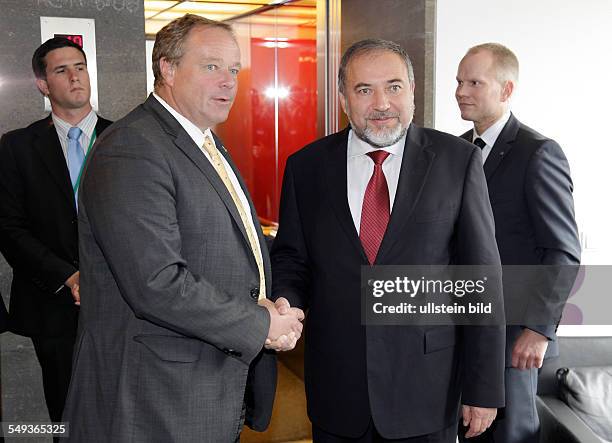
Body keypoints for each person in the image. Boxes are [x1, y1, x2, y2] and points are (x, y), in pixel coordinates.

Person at [61, 14, 303, 442]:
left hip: (199, 388)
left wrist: (275, 301)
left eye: (234, 69)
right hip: (154, 398)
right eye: (211, 66)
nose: (228, 81)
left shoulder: (202, 140)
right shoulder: (133, 148)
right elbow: (156, 281)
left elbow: (232, 239)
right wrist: (260, 324)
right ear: (167, 68)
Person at [271, 38, 505, 443]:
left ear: (413, 92)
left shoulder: (457, 161)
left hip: (428, 390)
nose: (381, 103)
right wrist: (285, 305)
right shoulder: (306, 168)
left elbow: (481, 279)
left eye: (394, 86)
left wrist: (483, 388)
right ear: (343, 97)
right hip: (338, 390)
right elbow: (292, 259)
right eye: (364, 90)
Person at [455, 43, 581, 443]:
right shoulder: (456, 151)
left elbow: (562, 250)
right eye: (459, 81)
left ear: (506, 90)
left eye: (475, 82)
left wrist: (539, 330)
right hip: (463, 332)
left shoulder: (538, 153)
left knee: (511, 437)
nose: (461, 91)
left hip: (515, 340)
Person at [0, 37, 112, 425]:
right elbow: (8, 227)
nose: (74, 77)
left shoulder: (125, 139)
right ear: (43, 85)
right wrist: (68, 275)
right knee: (66, 417)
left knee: (121, 413)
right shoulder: (17, 146)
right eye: (61, 70)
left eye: (79, 67)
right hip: (53, 305)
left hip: (122, 302)